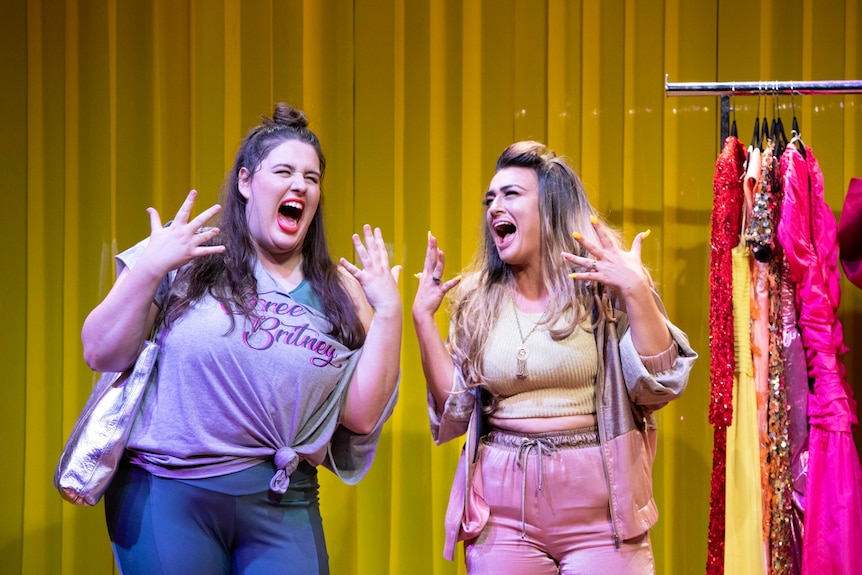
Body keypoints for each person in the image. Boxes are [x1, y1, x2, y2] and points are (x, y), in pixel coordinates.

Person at [81, 103, 402, 574]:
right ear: (247, 182)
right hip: (168, 493)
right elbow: (100, 351)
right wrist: (150, 267)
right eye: (285, 172)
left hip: (282, 501)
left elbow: (360, 414)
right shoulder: (186, 253)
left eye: (312, 178)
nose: (300, 186)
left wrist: (389, 313)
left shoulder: (341, 289)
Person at [412, 141, 697, 574]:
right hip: (503, 515)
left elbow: (658, 385)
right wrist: (422, 320)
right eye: (490, 198)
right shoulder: (477, 299)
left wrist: (636, 290)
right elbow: (454, 410)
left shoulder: (603, 287)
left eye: (511, 194)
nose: (494, 207)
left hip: (602, 518)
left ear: (550, 209)